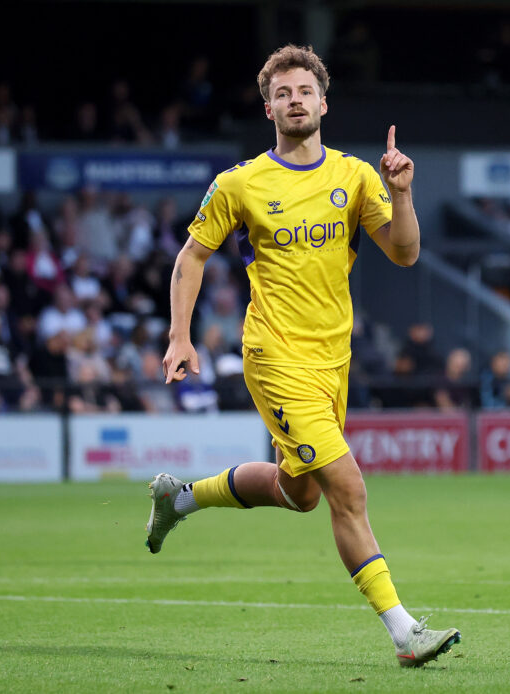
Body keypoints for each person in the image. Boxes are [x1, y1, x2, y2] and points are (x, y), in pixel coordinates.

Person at [144, 45, 461, 669]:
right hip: (273, 356)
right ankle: (404, 633)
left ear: (323, 103)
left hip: (332, 361)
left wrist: (402, 194)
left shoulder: (355, 176)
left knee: (301, 493)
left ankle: (178, 499)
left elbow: (405, 253)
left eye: (304, 91)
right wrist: (181, 336)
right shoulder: (239, 183)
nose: (295, 101)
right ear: (269, 108)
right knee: (347, 489)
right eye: (283, 93)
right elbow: (191, 258)